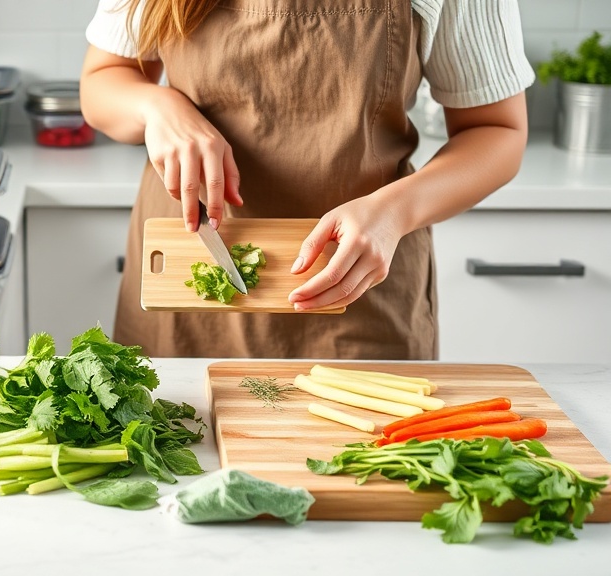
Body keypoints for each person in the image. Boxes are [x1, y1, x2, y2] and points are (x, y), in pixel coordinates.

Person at [80, 0, 533, 359]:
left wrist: (394, 212)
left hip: (358, 291)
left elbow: (498, 131)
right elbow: (102, 82)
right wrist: (156, 108)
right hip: (185, 278)